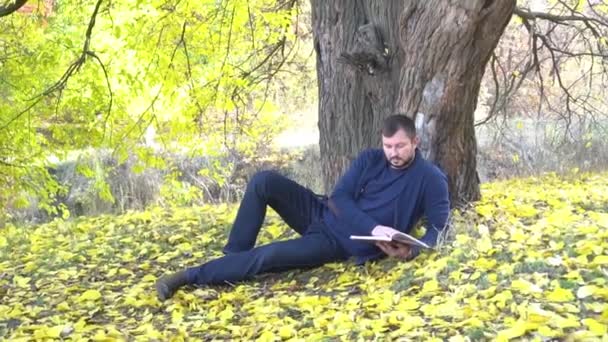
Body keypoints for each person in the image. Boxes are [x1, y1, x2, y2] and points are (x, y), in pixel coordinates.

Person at [155, 114, 450, 300]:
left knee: (270, 255)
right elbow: (340, 197)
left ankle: (187, 276)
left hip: (337, 243)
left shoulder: (430, 178)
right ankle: (232, 259)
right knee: (264, 181)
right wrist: (373, 226)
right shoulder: (371, 159)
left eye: (399, 146)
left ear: (415, 141)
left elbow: (439, 227)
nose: (393, 153)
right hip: (321, 212)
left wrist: (413, 250)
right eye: (388, 146)